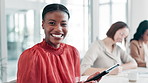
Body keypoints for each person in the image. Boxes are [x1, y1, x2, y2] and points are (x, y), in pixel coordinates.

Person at [17, 3, 100, 83]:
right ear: (43, 24)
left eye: (63, 24)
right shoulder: (31, 56)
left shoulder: (73, 52)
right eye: (52, 23)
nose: (58, 29)